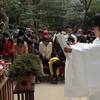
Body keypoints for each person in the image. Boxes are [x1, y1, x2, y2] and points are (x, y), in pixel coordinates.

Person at [64, 13, 100, 100]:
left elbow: (93, 50)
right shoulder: (97, 40)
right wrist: (74, 47)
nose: (93, 31)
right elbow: (89, 48)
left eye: (95, 28)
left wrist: (72, 50)